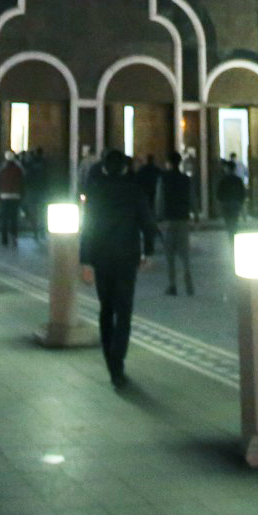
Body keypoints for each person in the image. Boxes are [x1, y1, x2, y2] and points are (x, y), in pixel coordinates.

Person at [80, 149, 157, 388]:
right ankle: (117, 361)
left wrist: (85, 261)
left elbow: (88, 226)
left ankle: (110, 359)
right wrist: (148, 252)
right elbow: (147, 223)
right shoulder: (134, 191)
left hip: (102, 257)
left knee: (106, 309)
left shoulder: (95, 191)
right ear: (124, 168)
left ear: (104, 168)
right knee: (124, 310)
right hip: (127, 257)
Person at [159, 150, 196, 294]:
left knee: (170, 254)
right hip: (183, 218)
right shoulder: (185, 179)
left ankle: (172, 285)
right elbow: (192, 197)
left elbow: (160, 198)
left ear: (168, 163)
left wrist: (159, 216)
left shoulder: (164, 178)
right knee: (184, 252)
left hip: (169, 218)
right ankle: (188, 280)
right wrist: (195, 214)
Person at [0, 150, 26, 247]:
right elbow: (22, 182)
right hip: (15, 196)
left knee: (4, 218)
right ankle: (14, 238)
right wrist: (22, 195)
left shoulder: (2, 169)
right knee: (14, 218)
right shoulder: (19, 169)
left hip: (4, 196)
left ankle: (4, 239)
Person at [215, 160, 248, 234]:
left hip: (226, 203)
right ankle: (232, 233)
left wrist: (220, 202)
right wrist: (241, 202)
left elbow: (219, 192)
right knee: (234, 219)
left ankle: (230, 233)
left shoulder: (223, 180)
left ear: (228, 168)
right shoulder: (238, 180)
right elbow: (242, 192)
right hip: (236, 203)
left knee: (228, 220)